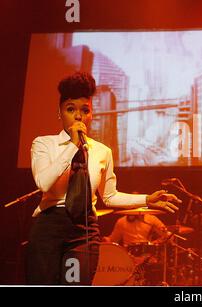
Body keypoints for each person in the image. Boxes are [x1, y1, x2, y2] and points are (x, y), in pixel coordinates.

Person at [26, 71, 182, 285]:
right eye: (71, 109)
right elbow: (43, 182)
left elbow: (109, 197)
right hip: (49, 225)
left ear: (91, 115)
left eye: (85, 110)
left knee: (76, 284)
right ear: (60, 113)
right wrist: (72, 146)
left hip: (84, 230)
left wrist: (147, 199)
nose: (78, 116)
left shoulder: (102, 151)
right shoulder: (44, 144)